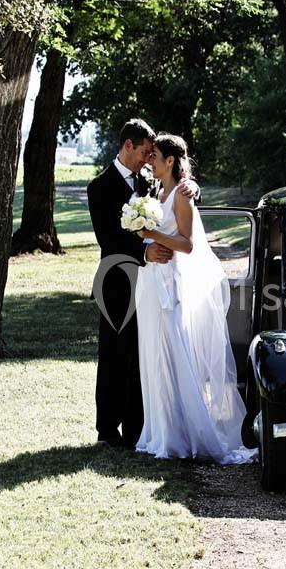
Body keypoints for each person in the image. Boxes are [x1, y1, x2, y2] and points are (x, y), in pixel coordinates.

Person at [133, 134, 256, 464]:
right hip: (155, 281)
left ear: (170, 160)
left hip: (172, 287)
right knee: (159, 356)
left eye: (155, 155)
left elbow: (187, 244)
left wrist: (149, 233)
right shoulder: (160, 191)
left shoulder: (181, 196)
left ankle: (187, 434)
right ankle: (165, 429)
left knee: (176, 353)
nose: (150, 160)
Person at [87, 118, 197, 447]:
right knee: (113, 354)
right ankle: (107, 429)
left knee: (141, 353)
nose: (148, 159)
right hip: (117, 280)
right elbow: (107, 238)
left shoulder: (148, 181)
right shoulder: (100, 187)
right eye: (144, 152)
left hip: (151, 285)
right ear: (128, 146)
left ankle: (138, 427)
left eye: (153, 153)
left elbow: (175, 199)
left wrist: (193, 187)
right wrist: (144, 251)